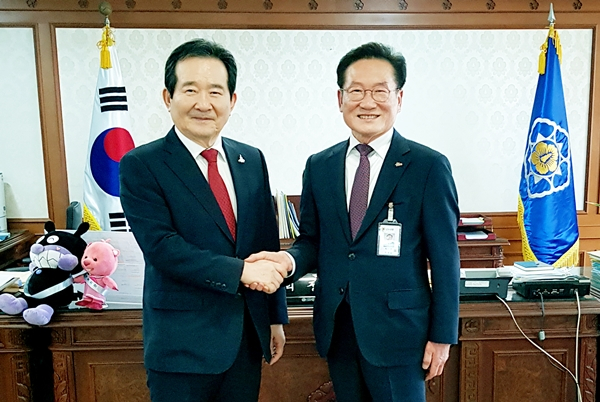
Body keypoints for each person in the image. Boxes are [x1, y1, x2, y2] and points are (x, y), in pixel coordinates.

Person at [247, 42, 460, 402]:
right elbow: (312, 240)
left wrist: (442, 336)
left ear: (399, 98)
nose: (367, 102)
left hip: (400, 334)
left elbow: (444, 259)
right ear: (340, 98)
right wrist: (288, 261)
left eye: (380, 91)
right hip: (339, 329)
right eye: (356, 91)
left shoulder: (427, 166)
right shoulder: (320, 165)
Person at [119, 38, 289, 402]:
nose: (203, 103)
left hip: (245, 339)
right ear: (168, 97)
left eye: (215, 91)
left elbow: (266, 243)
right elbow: (162, 248)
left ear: (232, 100)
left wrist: (274, 317)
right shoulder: (142, 164)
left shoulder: (251, 159)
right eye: (190, 90)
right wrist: (241, 272)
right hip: (181, 347)